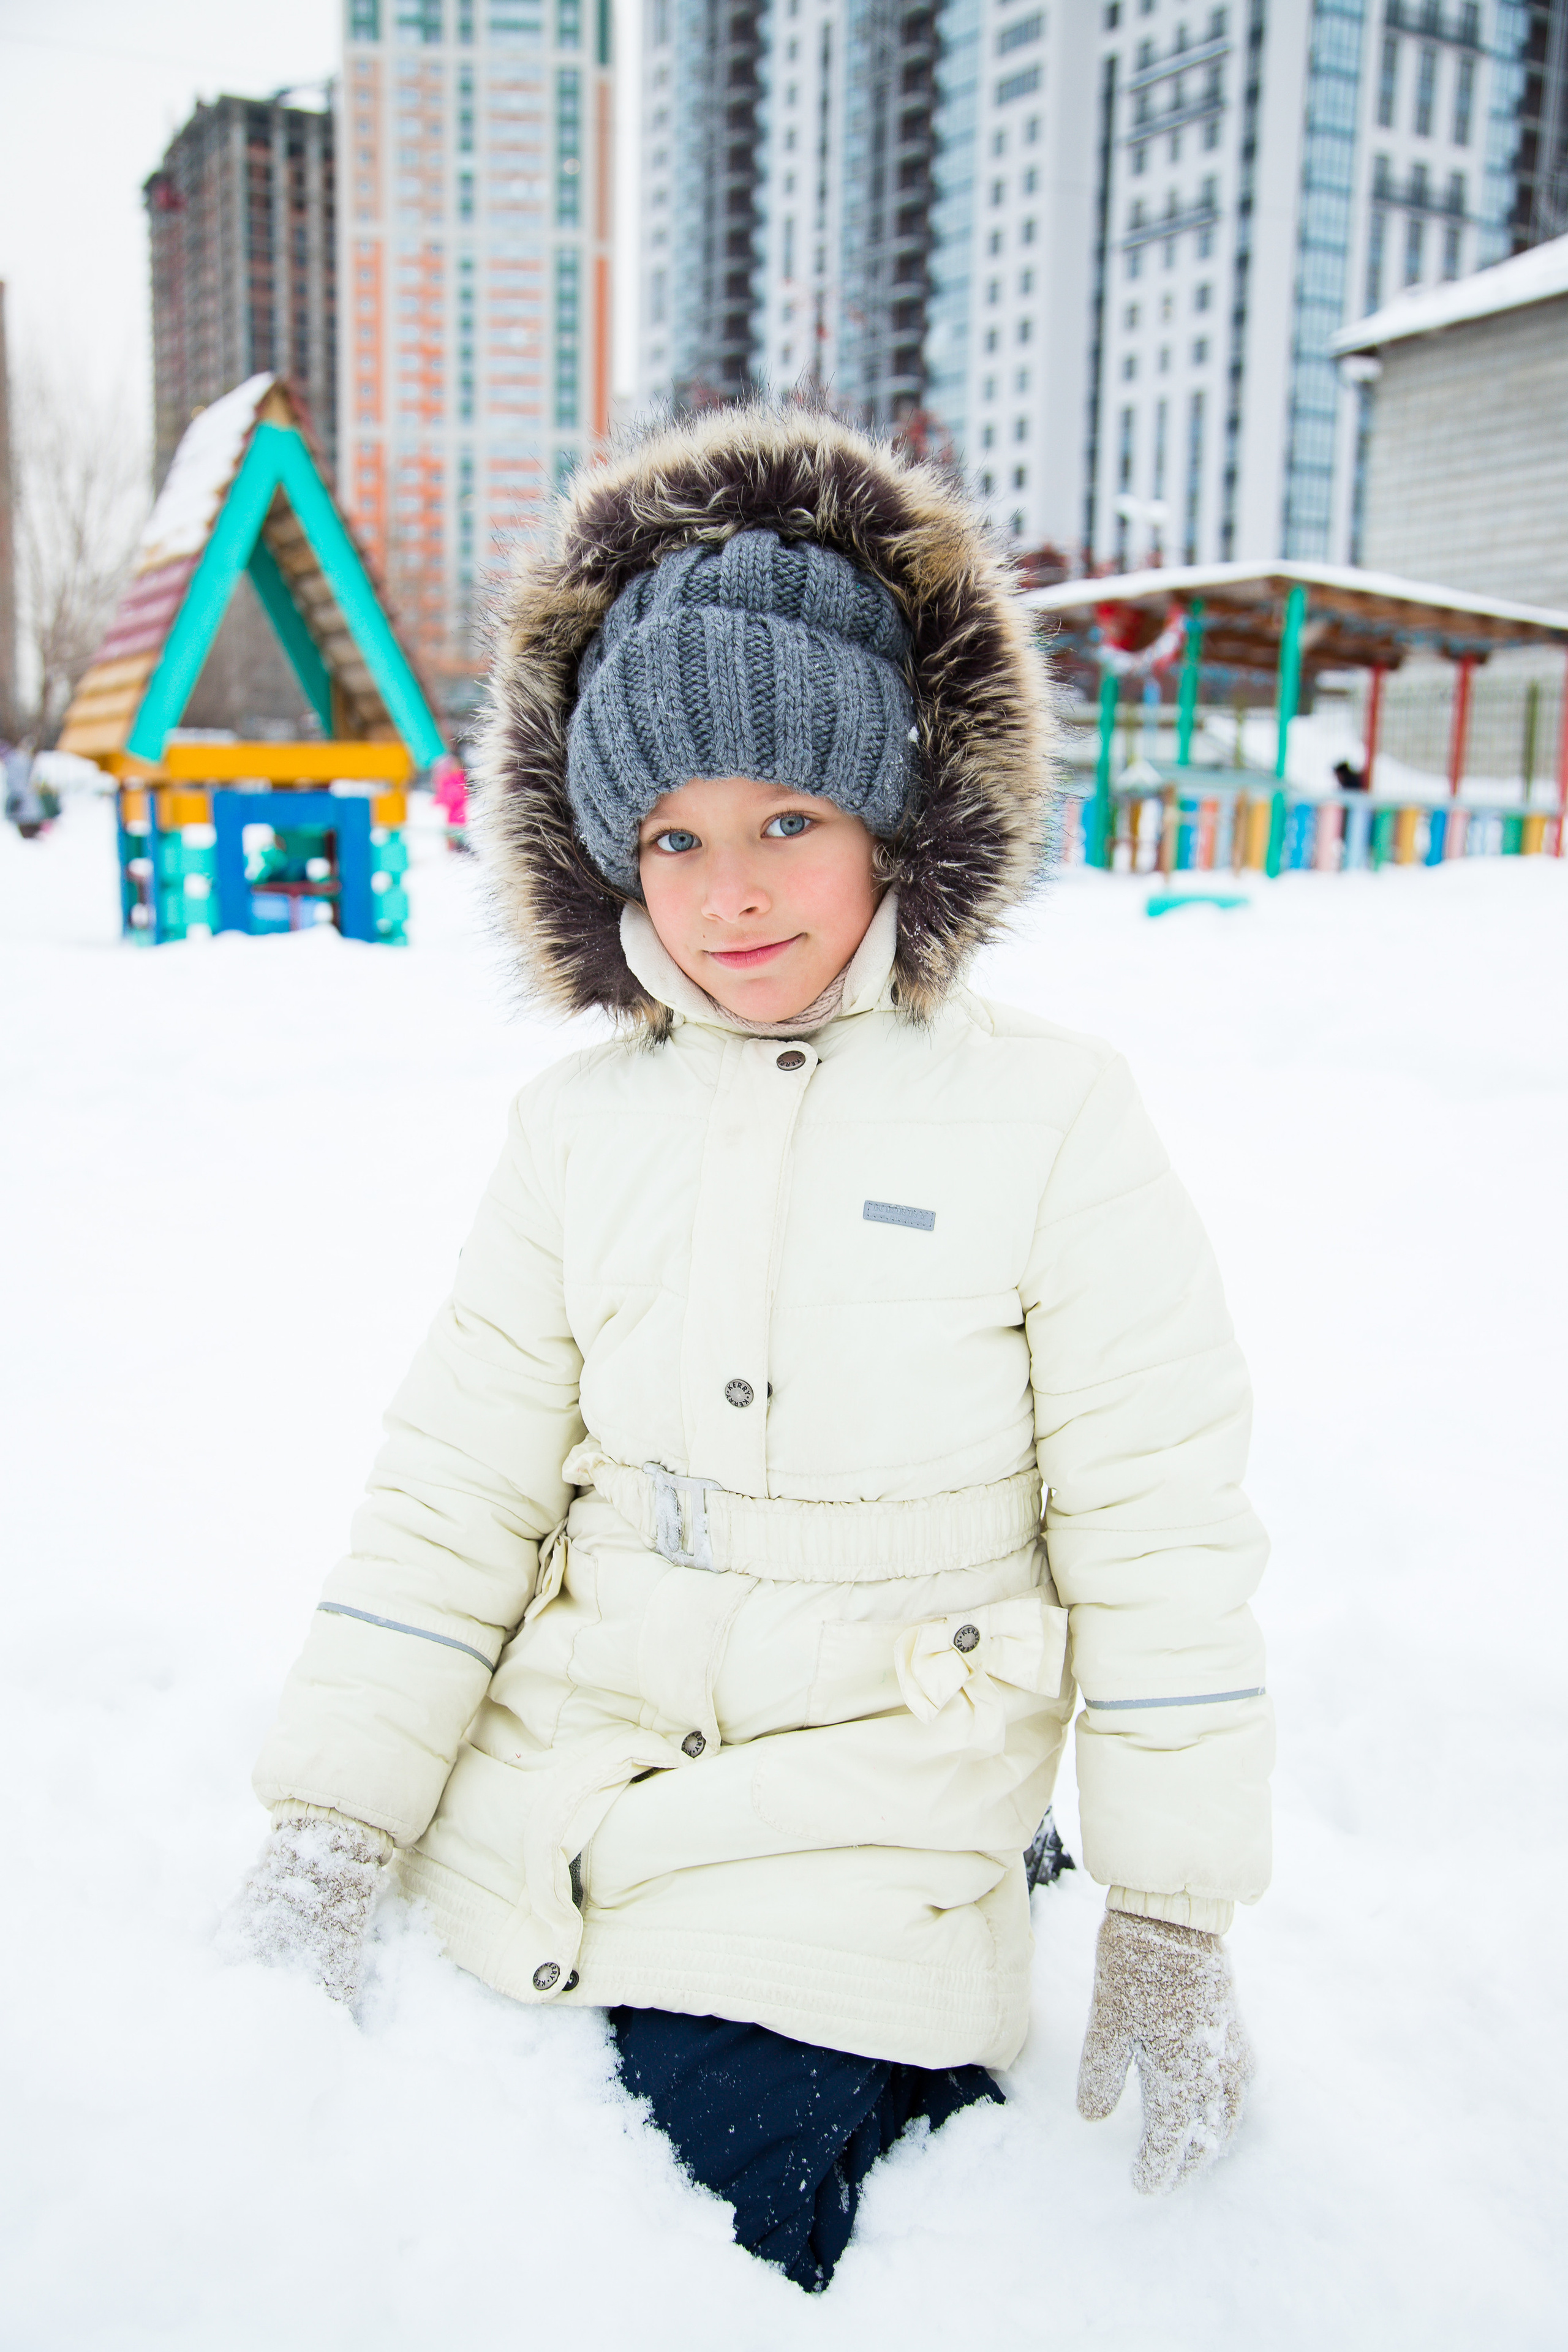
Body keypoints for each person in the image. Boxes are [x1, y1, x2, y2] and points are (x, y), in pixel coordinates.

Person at [231, 410, 1271, 2289]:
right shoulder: (578, 1129)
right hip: (583, 1751)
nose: (735, 893)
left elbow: (1159, 1520)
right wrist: (334, 1819)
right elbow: (451, 1489)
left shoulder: (1050, 1119)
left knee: (729, 2207)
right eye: (676, 838)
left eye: (790, 818)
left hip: (884, 1764)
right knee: (420, 2160)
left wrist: (1173, 1911)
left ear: (893, 809)